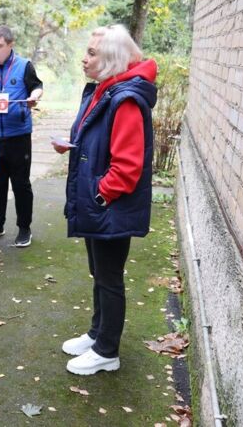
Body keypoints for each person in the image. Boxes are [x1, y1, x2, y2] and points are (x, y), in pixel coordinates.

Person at [53, 24, 157, 375]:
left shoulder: (125, 99)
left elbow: (127, 169)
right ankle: (97, 334)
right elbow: (99, 141)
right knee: (99, 272)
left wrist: (98, 194)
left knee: (109, 277)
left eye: (92, 53)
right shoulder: (104, 90)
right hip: (99, 205)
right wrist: (73, 146)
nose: (84, 58)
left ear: (111, 59)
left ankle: (107, 351)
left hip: (109, 207)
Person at [0, 26, 43, 247]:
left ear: (10, 45)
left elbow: (37, 87)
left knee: (21, 184)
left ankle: (24, 228)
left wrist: (33, 97)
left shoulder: (24, 66)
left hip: (19, 134)